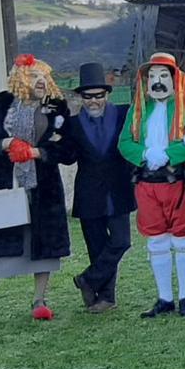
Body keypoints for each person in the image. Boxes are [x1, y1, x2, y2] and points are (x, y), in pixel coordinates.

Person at [0, 54, 75, 329]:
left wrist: (37, 152)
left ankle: (39, 300)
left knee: (42, 244)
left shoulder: (56, 108)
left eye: (44, 77)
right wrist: (5, 144)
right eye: (34, 76)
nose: (41, 81)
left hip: (43, 188)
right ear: (19, 79)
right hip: (5, 183)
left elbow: (67, 149)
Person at [117, 51, 185, 318]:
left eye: (163, 76)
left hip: (179, 182)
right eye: (152, 77)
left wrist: (170, 153)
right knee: (156, 240)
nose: (157, 82)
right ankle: (164, 297)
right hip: (147, 184)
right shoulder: (137, 110)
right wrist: (145, 154)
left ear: (174, 78)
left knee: (183, 239)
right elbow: (124, 143)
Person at [66, 61, 134, 314]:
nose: (93, 101)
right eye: (87, 97)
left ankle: (88, 279)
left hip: (118, 190)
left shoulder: (123, 115)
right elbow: (67, 156)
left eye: (98, 96)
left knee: (121, 241)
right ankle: (103, 297)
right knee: (96, 247)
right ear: (81, 97)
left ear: (107, 94)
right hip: (89, 193)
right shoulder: (72, 125)